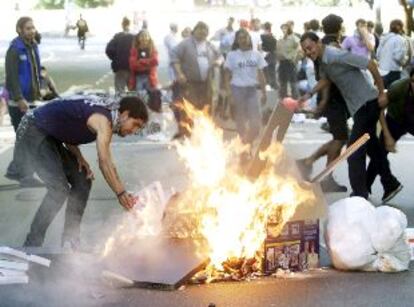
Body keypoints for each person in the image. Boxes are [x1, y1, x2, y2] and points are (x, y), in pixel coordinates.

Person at [16, 95, 148, 248]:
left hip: (50, 135)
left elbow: (67, 122)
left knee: (83, 179)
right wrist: (120, 193)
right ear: (125, 115)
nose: (135, 130)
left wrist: (78, 156)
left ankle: (70, 239)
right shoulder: (103, 120)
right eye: (136, 124)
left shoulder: (107, 118)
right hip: (33, 131)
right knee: (59, 190)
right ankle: (31, 244)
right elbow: (104, 162)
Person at [300, 31, 387, 199]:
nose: (309, 53)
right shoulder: (323, 60)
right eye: (306, 51)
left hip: (367, 103)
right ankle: (390, 184)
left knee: (353, 152)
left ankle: (360, 194)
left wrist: (382, 93)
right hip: (360, 106)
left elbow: (370, 64)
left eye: (310, 48)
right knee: (373, 149)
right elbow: (327, 80)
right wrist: (309, 94)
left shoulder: (335, 55)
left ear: (318, 43)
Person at [297, 14, 349, 192]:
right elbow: (327, 77)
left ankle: (311, 165)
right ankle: (319, 171)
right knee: (340, 138)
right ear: (339, 27)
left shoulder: (324, 44)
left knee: (339, 138)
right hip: (333, 100)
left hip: (333, 99)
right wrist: (324, 101)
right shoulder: (330, 46)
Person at [5, 16, 43, 187]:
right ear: (19, 29)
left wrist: (39, 91)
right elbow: (12, 77)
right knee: (26, 137)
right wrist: (19, 98)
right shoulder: (15, 50)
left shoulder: (32, 46)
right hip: (18, 102)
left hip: (31, 100)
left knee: (27, 137)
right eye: (28, 28)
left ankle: (17, 171)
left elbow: (35, 71)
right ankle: (24, 174)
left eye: (33, 27)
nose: (31, 30)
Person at [366, 70, 414, 202]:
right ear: (410, 81)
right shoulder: (398, 87)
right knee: (380, 151)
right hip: (395, 119)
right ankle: (366, 187)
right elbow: (379, 107)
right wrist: (387, 135)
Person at [224, 28, 267, 145]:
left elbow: (261, 74)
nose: (243, 40)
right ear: (237, 41)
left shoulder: (257, 54)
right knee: (241, 121)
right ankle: (244, 145)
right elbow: (226, 77)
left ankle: (248, 141)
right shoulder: (232, 55)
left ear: (249, 38)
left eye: (245, 37)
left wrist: (264, 92)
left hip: (252, 91)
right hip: (237, 90)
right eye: (240, 38)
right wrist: (229, 95)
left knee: (255, 123)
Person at [106, 17, 134, 94]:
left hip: (120, 66)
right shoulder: (135, 37)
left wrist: (115, 58)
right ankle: (134, 104)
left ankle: (121, 104)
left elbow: (109, 50)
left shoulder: (117, 37)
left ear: (122, 25)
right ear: (130, 24)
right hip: (133, 66)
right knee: (133, 90)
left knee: (119, 90)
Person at [377, 19, 407, 89]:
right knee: (393, 96)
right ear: (400, 27)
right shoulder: (400, 39)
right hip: (393, 72)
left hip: (381, 71)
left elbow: (378, 55)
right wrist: (405, 60)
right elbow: (398, 57)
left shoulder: (383, 39)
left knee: (384, 95)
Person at [277, 23, 300, 99]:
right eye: (282, 28)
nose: (283, 30)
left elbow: (299, 49)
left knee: (293, 82)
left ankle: (295, 100)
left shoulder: (293, 38)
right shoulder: (281, 38)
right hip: (282, 62)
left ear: (289, 29)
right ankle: (283, 100)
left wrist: (295, 59)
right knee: (282, 82)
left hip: (290, 62)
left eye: (285, 28)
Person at [261, 22, 277, 89]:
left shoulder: (261, 36)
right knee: (272, 72)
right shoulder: (273, 37)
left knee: (265, 72)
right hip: (272, 55)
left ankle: (266, 85)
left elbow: (260, 47)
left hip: (265, 56)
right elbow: (276, 47)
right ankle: (274, 86)